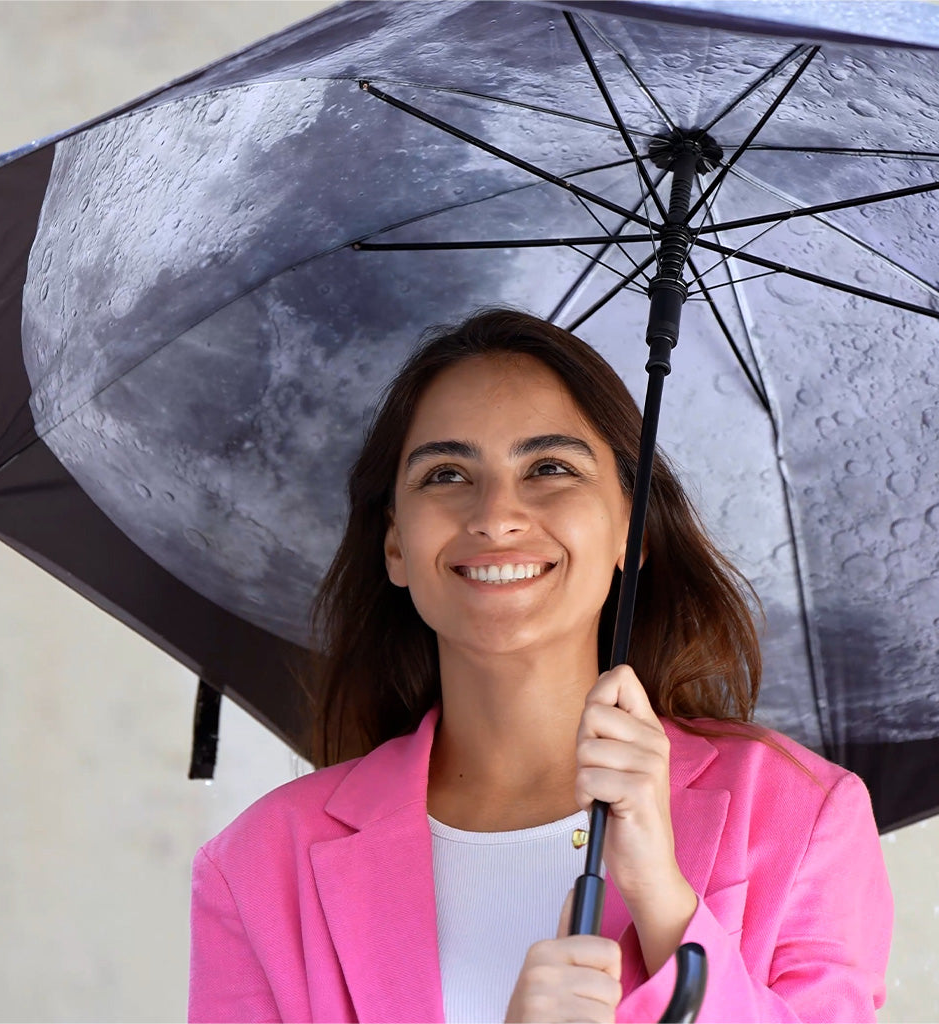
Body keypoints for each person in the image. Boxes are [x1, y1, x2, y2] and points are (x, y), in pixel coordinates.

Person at [189, 309, 892, 1023]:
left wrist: (661, 899)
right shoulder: (257, 868)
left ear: (632, 530)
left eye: (550, 468)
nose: (496, 516)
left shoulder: (802, 813)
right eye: (447, 474)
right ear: (395, 544)